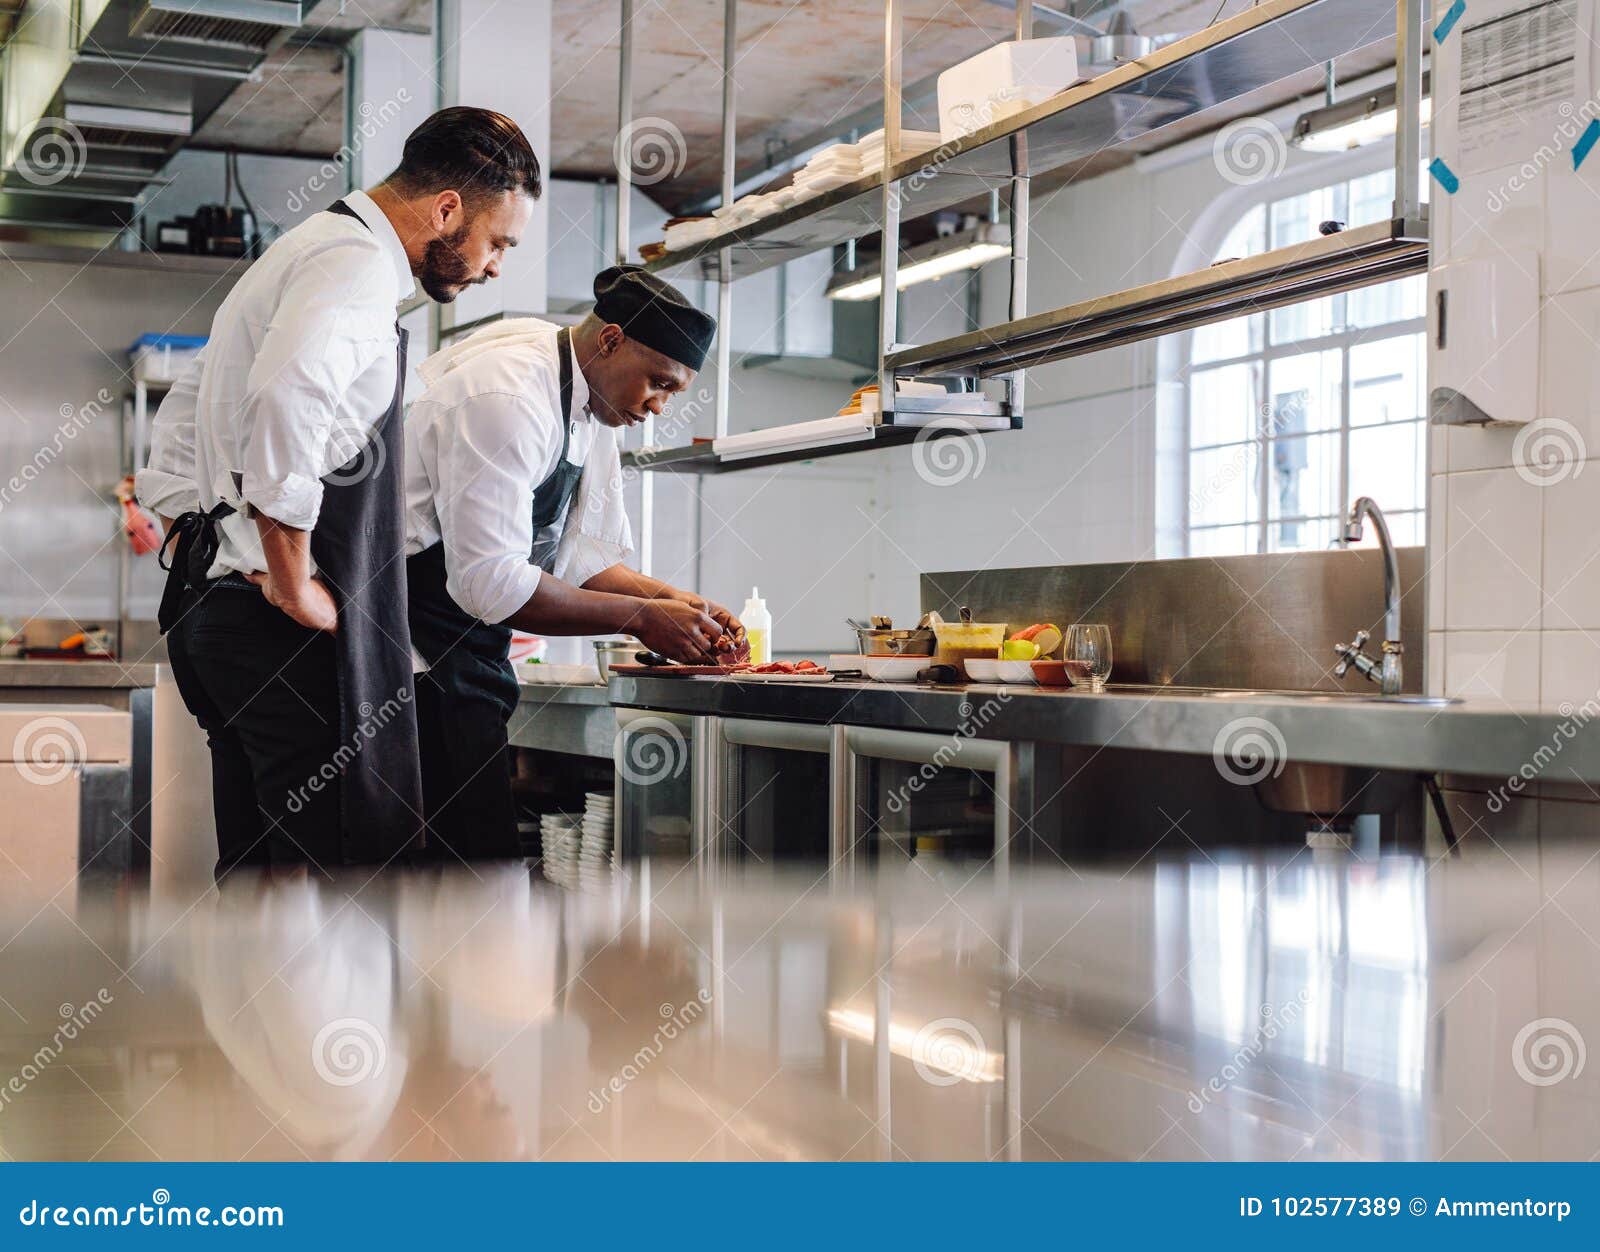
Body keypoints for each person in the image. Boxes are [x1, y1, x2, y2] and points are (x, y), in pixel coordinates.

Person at [134, 107, 541, 879]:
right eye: (500, 242)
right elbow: (287, 401)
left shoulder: (304, 250)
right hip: (271, 631)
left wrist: (204, 542)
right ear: (447, 208)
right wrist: (291, 583)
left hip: (216, 619)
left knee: (263, 884)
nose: (495, 266)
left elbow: (184, 414)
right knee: (333, 890)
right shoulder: (353, 264)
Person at [403, 265, 745, 860]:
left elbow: (582, 559)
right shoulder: (510, 393)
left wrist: (673, 602)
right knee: (450, 875)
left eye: (674, 393)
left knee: (477, 870)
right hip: (409, 657)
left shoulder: (595, 405)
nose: (660, 406)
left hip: (469, 657)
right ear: (610, 341)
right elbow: (490, 582)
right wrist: (640, 618)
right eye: (658, 383)